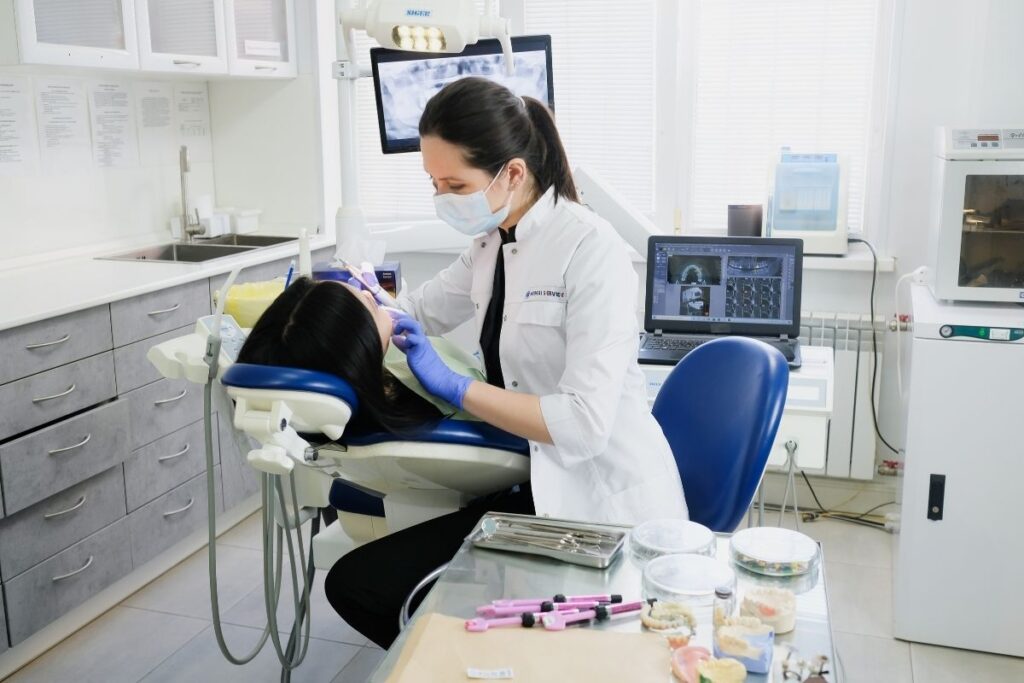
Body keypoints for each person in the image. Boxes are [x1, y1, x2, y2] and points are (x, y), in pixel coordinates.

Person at [327, 76, 688, 648]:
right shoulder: (492, 240)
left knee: (367, 588)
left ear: (512, 173)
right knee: (371, 585)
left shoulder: (593, 252)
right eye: (433, 183)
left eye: (454, 183)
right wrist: (357, 300)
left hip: (595, 506)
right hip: (529, 478)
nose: (442, 198)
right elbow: (419, 307)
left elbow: (582, 424)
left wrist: (453, 385)